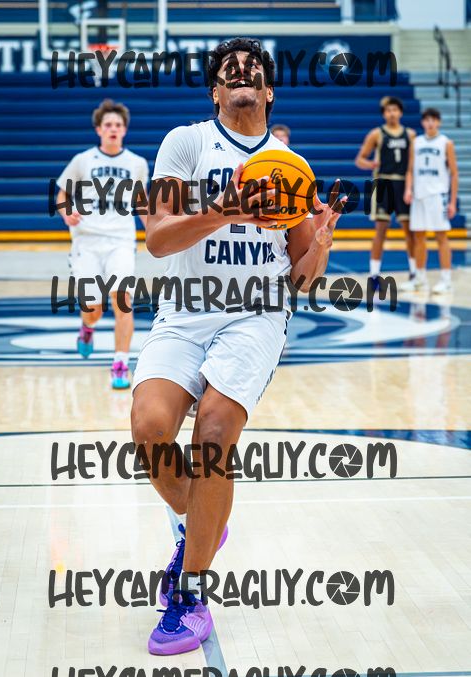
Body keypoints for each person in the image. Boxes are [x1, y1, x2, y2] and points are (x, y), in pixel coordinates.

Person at [131, 37, 347, 656]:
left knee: (216, 431)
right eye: (230, 69)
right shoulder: (186, 143)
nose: (242, 73)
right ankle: (204, 525)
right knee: (149, 428)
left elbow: (301, 278)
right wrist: (226, 208)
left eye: (254, 68)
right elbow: (159, 240)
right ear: (216, 91)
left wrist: (319, 245)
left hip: (257, 314)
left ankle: (191, 591)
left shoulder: (290, 165)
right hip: (185, 310)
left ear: (269, 90)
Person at [56, 99, 148, 388]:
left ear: (124, 130)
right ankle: (87, 326)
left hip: (120, 240)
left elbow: (141, 203)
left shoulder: (137, 163)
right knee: (92, 308)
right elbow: (62, 194)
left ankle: (120, 364)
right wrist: (66, 212)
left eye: (118, 124)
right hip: (87, 240)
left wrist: (155, 233)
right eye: (108, 124)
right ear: (98, 129)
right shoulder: (83, 160)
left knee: (123, 301)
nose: (113, 129)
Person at [355, 96, 415, 286]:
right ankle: (374, 274)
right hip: (383, 183)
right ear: (384, 114)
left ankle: (414, 272)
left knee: (409, 230)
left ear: (401, 112)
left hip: (403, 183)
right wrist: (371, 164)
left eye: (395, 110)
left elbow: (413, 163)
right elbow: (360, 159)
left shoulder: (410, 135)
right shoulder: (377, 134)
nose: (392, 113)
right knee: (380, 230)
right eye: (388, 110)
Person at [401, 107, 458, 293]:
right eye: (427, 120)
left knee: (441, 236)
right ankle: (420, 278)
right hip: (419, 195)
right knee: (418, 237)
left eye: (434, 119)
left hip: (438, 196)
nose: (430, 123)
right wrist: (408, 189)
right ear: (423, 123)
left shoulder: (446, 143)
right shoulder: (416, 142)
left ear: (438, 122)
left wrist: (452, 201)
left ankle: (446, 280)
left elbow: (454, 174)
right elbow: (410, 170)